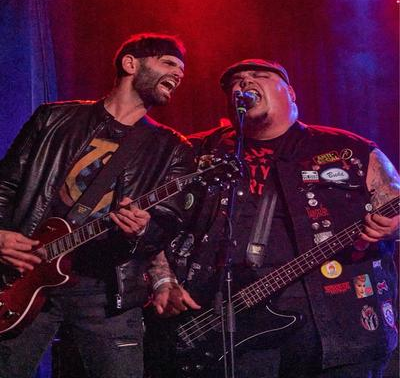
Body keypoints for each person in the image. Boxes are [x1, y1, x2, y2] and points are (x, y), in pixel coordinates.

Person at [147, 59, 399, 378]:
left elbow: (395, 205)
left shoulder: (349, 149)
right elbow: (153, 222)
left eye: (260, 75)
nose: (244, 82)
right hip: (225, 322)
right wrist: (162, 279)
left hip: (339, 323)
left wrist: (394, 226)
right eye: (236, 81)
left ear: (290, 93)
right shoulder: (194, 152)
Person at [0, 33, 200, 378]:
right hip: (26, 273)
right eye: (168, 63)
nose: (179, 74)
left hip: (106, 289)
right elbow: (5, 186)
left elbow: (168, 223)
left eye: (182, 70)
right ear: (130, 64)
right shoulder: (53, 118)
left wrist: (143, 229)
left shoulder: (172, 148)